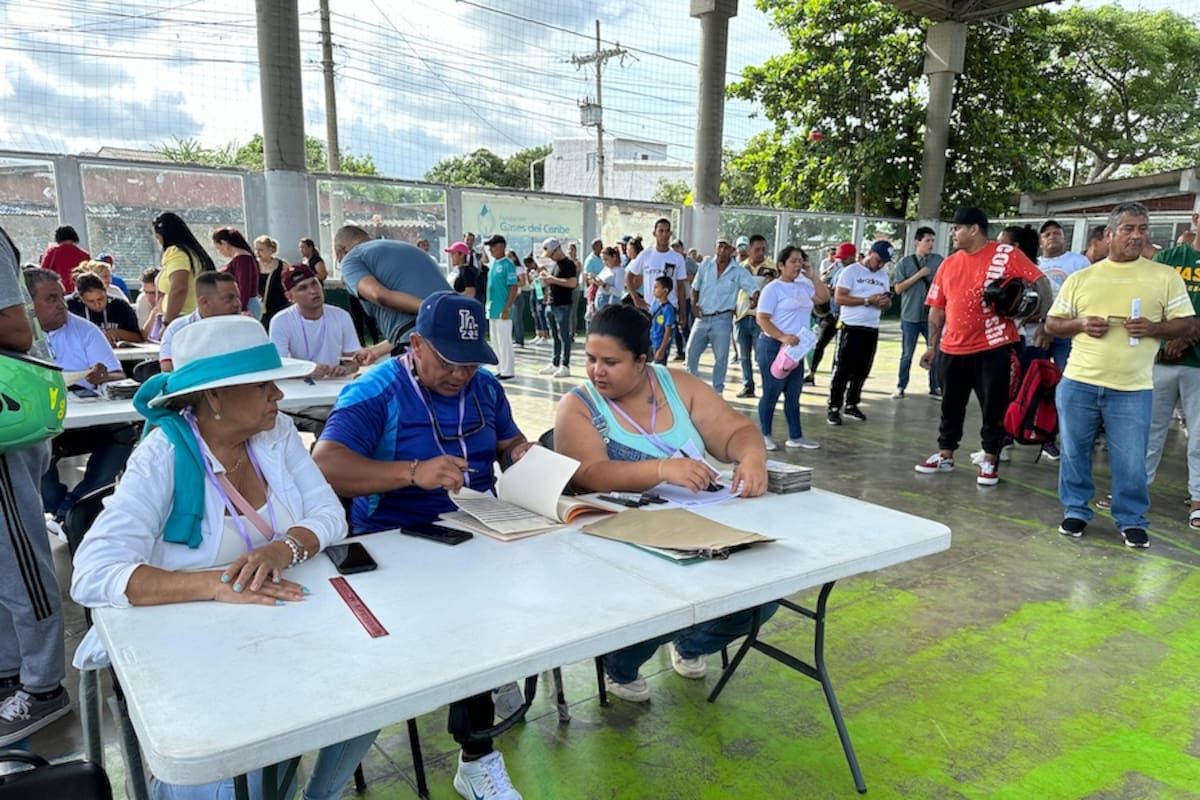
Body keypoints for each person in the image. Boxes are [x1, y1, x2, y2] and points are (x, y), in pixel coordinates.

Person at [69, 315, 370, 800]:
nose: (277, 395)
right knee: (235, 777)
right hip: (191, 645)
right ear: (214, 396)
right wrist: (215, 584)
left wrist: (282, 547)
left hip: (284, 624)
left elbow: (330, 515)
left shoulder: (276, 434)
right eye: (262, 385)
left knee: (370, 692)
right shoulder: (163, 454)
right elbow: (94, 572)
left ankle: (320, 794)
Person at [313, 292, 531, 800]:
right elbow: (324, 465)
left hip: (482, 531)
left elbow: (507, 443)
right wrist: (412, 472)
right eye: (450, 362)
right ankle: (477, 757)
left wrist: (522, 452)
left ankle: (490, 678)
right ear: (416, 345)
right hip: (394, 542)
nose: (461, 375)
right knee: (467, 624)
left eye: (472, 364)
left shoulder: (486, 390)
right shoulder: (377, 391)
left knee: (530, 591)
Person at [553, 303, 770, 702]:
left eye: (610, 362)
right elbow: (588, 472)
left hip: (700, 525)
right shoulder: (579, 405)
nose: (596, 370)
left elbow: (735, 431)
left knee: (764, 595)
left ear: (642, 361)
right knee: (670, 595)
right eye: (590, 359)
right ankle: (620, 664)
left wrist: (752, 457)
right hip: (622, 541)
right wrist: (661, 470)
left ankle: (692, 643)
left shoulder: (679, 386)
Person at [1045, 202, 1194, 549]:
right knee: (1074, 451)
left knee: (1130, 458)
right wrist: (1080, 323)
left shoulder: (1164, 276)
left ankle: (1131, 519)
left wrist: (1154, 327)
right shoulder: (1083, 277)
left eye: (1142, 229)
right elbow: (1053, 323)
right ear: (1110, 234)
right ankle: (1076, 510)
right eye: (1128, 229)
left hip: (1132, 386)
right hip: (1080, 381)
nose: (1137, 235)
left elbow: (1186, 322)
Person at [914, 208, 1050, 486]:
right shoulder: (949, 264)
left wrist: (1042, 320)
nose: (952, 233)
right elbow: (937, 310)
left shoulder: (1005, 254)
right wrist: (932, 345)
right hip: (952, 348)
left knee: (994, 407)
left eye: (956, 228)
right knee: (950, 406)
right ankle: (946, 453)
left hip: (994, 346)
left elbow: (1041, 283)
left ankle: (990, 459)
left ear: (974, 229)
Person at [0, 229, 69, 748]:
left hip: (9, 420)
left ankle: (43, 685)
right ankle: (9, 671)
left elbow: (17, 330)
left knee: (17, 555)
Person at [24, 269, 136, 523]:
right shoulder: (14, 334)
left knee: (124, 432)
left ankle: (73, 508)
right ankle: (63, 508)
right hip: (39, 419)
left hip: (84, 416)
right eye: (51, 299)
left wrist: (103, 376)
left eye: (62, 297)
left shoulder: (85, 330)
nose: (61, 305)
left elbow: (117, 375)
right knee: (30, 444)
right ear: (29, 303)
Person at [1146, 214, 1200, 530]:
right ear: (1196, 218)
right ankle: (1134, 489)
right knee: (1147, 429)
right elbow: (1152, 304)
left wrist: (1187, 335)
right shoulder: (1169, 259)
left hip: (1197, 365)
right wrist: (1168, 338)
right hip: (1160, 360)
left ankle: (1197, 499)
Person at [757, 246, 827, 451]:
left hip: (797, 348)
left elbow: (823, 298)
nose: (798, 265)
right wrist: (782, 336)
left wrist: (813, 276)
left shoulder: (804, 285)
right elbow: (762, 318)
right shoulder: (773, 289)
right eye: (793, 261)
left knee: (794, 392)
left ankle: (795, 435)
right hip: (774, 345)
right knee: (771, 391)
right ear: (781, 265)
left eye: (800, 261)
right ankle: (764, 434)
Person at [334, 225, 450, 343]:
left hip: (418, 336)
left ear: (341, 251)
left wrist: (433, 308)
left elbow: (378, 295)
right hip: (453, 326)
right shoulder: (408, 248)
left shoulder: (351, 258)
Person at [826, 240, 893, 425]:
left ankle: (852, 403)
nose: (880, 265)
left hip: (871, 327)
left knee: (863, 369)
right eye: (878, 260)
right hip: (850, 326)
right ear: (870, 253)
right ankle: (833, 406)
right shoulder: (851, 272)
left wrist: (885, 303)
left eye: (884, 262)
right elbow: (839, 297)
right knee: (842, 369)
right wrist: (866, 301)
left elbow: (887, 299)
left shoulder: (883, 276)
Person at [686, 236, 759, 395]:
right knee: (691, 352)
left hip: (722, 319)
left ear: (732, 250)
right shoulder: (705, 265)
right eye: (719, 247)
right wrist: (694, 306)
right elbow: (695, 287)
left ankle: (717, 392)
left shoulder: (738, 271)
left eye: (726, 248)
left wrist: (754, 299)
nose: (722, 251)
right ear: (715, 248)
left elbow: (753, 288)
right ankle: (690, 389)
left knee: (721, 358)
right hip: (702, 316)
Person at [269, 264, 369, 378]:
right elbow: (279, 365)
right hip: (298, 385)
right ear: (290, 297)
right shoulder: (280, 321)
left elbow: (353, 362)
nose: (313, 291)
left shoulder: (342, 316)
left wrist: (344, 370)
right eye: (303, 288)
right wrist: (305, 372)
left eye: (314, 283)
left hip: (333, 383)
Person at [891, 227, 943, 399]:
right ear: (917, 242)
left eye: (932, 241)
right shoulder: (905, 263)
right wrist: (919, 275)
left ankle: (934, 386)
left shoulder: (939, 261)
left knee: (934, 350)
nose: (931, 244)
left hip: (931, 316)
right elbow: (898, 289)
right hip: (910, 315)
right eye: (927, 240)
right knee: (907, 353)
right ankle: (901, 385)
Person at [159, 271, 243, 371]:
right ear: (204, 302)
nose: (237, 304)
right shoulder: (178, 328)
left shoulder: (245, 328)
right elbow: (168, 368)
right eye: (229, 298)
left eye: (238, 297)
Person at [733, 234, 777, 399]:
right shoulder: (740, 268)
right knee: (743, 356)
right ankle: (747, 385)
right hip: (742, 315)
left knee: (763, 356)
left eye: (763, 249)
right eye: (757, 249)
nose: (760, 253)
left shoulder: (772, 268)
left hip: (762, 318)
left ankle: (768, 387)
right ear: (749, 250)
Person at [153, 212, 215, 329]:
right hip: (198, 316)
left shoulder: (175, 252)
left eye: (158, 238)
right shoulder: (194, 253)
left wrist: (167, 323)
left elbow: (179, 288)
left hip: (182, 320)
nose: (159, 242)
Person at [808, 242, 855, 384]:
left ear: (852, 257)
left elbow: (844, 292)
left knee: (840, 349)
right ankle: (812, 373)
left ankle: (837, 378)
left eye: (844, 257)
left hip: (845, 315)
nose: (841, 260)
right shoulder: (839, 269)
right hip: (832, 313)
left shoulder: (854, 271)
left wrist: (831, 291)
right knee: (820, 343)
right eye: (840, 257)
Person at [625, 219, 687, 318]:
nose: (664, 235)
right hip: (649, 310)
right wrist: (636, 299)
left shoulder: (677, 258)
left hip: (669, 309)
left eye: (667, 231)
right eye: (661, 231)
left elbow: (680, 287)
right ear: (654, 233)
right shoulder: (646, 255)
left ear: (670, 234)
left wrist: (683, 312)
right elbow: (629, 276)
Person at [537, 238, 578, 378]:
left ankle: (565, 365)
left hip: (563, 305)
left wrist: (552, 280)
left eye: (551, 254)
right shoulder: (555, 265)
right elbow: (555, 282)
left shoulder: (568, 264)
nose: (551, 258)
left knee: (564, 336)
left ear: (557, 250)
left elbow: (573, 283)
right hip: (552, 304)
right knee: (555, 335)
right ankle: (555, 362)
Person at [67, 270, 143, 345]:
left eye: (101, 299)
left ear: (105, 291)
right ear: (81, 298)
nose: (97, 304)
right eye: (91, 301)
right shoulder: (70, 307)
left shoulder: (120, 306)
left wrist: (118, 333)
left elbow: (139, 338)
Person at [483, 235, 519, 380]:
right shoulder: (493, 264)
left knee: (504, 341)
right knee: (496, 341)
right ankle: (500, 367)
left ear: (501, 246)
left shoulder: (507, 264)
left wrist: (507, 308)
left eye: (493, 246)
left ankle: (508, 370)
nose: (491, 249)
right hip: (492, 308)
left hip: (502, 309)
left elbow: (513, 287)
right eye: (490, 246)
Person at [212, 227, 262, 319]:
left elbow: (244, 285)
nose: (220, 252)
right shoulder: (241, 258)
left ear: (224, 243)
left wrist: (242, 308)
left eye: (218, 248)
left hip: (246, 304)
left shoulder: (242, 259)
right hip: (244, 302)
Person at [39, 224, 90, 293]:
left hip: (58, 290)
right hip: (80, 290)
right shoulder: (85, 254)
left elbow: (42, 272)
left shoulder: (53, 252)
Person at [254, 235, 289, 330]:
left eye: (261, 250)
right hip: (260, 307)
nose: (257, 253)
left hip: (280, 305)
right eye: (256, 249)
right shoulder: (253, 265)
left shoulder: (282, 265)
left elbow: (289, 284)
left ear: (270, 250)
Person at [648, 275, 676, 366]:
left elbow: (668, 332)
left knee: (658, 370)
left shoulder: (668, 309)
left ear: (665, 290)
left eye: (656, 287)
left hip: (659, 344)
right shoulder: (655, 303)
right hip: (651, 341)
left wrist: (662, 349)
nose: (654, 290)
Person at [593, 245, 624, 311]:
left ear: (614, 257)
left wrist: (604, 285)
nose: (604, 262)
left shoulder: (619, 271)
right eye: (603, 260)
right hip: (600, 302)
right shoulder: (606, 269)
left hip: (610, 304)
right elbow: (599, 279)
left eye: (606, 259)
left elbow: (618, 292)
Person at [135, 267, 161, 336]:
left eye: (154, 293)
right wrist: (154, 313)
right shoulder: (142, 299)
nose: (149, 298)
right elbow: (144, 335)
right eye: (146, 292)